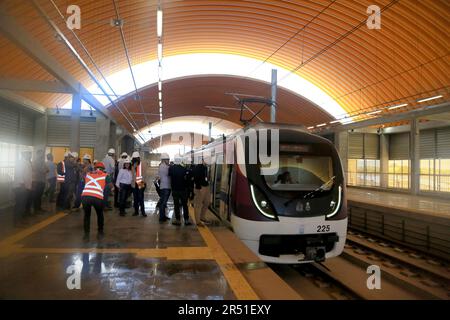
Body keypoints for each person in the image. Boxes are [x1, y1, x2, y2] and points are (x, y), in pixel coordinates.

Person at [81, 161, 111, 240]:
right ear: (103, 169)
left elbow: (83, 177)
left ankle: (86, 235)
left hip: (85, 196)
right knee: (100, 215)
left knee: (87, 216)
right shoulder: (106, 175)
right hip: (97, 197)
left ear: (95, 168)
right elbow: (111, 186)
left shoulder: (88, 174)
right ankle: (100, 232)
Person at [168, 155, 192, 226]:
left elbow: (169, 175)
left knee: (176, 205)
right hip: (183, 190)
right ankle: (186, 220)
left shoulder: (171, 168)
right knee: (185, 205)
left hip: (175, 189)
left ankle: (178, 220)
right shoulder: (184, 169)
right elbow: (187, 179)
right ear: (180, 160)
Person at [13, 151, 32, 225]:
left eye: (30, 154)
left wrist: (30, 185)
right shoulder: (21, 163)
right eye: (29, 154)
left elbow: (28, 175)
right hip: (20, 187)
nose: (30, 155)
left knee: (23, 204)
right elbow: (19, 175)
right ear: (24, 155)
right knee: (20, 204)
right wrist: (23, 185)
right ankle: (17, 221)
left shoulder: (27, 162)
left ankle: (20, 219)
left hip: (25, 187)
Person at [193, 159, 211, 226]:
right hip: (200, 187)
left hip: (206, 186)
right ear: (203, 160)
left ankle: (202, 217)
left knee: (207, 202)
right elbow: (195, 178)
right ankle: (198, 221)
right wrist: (199, 187)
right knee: (198, 204)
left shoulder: (206, 167)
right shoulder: (198, 167)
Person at [31, 149, 48, 214]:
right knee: (36, 195)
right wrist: (44, 170)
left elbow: (47, 169)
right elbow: (41, 170)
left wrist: (44, 170)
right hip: (37, 180)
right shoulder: (35, 161)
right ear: (38, 154)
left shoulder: (42, 161)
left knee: (40, 195)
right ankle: (36, 209)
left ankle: (39, 208)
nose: (42, 155)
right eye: (41, 154)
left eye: (42, 154)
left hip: (42, 180)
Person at [131, 151, 147, 217]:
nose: (135, 159)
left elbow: (144, 174)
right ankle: (136, 211)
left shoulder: (142, 164)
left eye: (136, 158)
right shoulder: (132, 165)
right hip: (134, 183)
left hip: (140, 182)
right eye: (134, 158)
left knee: (141, 197)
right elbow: (132, 174)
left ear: (138, 158)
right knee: (135, 198)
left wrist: (143, 184)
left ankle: (143, 212)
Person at [157, 153, 171, 223]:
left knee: (163, 203)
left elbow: (159, 176)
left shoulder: (161, 166)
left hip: (163, 186)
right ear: (164, 160)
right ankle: (161, 218)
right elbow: (169, 173)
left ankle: (163, 216)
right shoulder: (164, 167)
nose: (168, 161)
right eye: (167, 160)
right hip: (166, 187)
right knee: (163, 203)